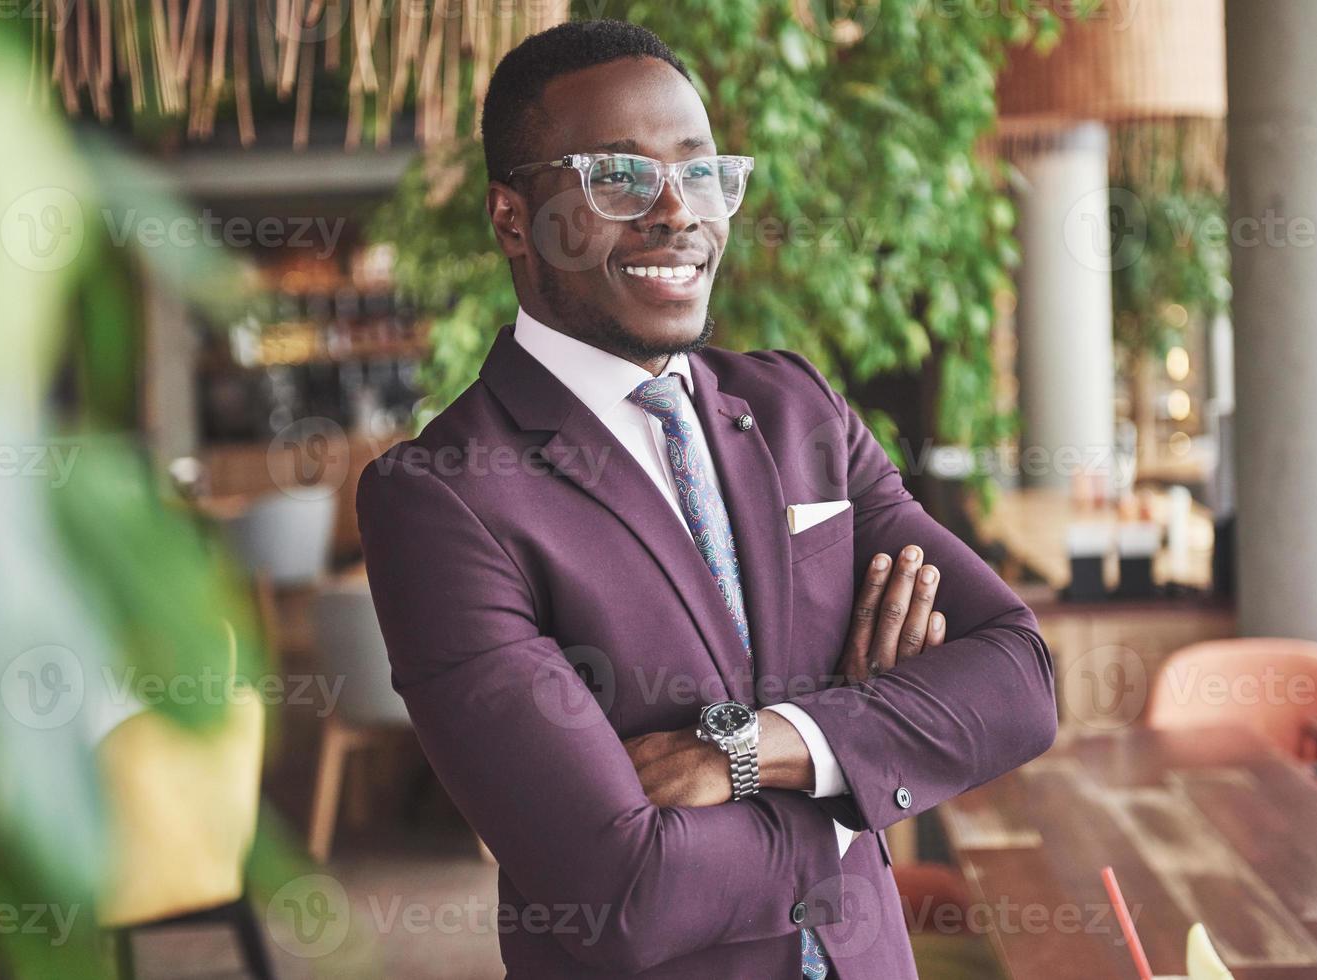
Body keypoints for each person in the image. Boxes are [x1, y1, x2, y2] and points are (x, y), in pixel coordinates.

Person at [357, 19, 1056, 979]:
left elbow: (1018, 679)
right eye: (620, 177)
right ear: (512, 216)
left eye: (700, 171)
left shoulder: (793, 405)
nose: (677, 212)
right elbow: (621, 892)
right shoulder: (442, 498)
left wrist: (764, 746)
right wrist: (861, 781)